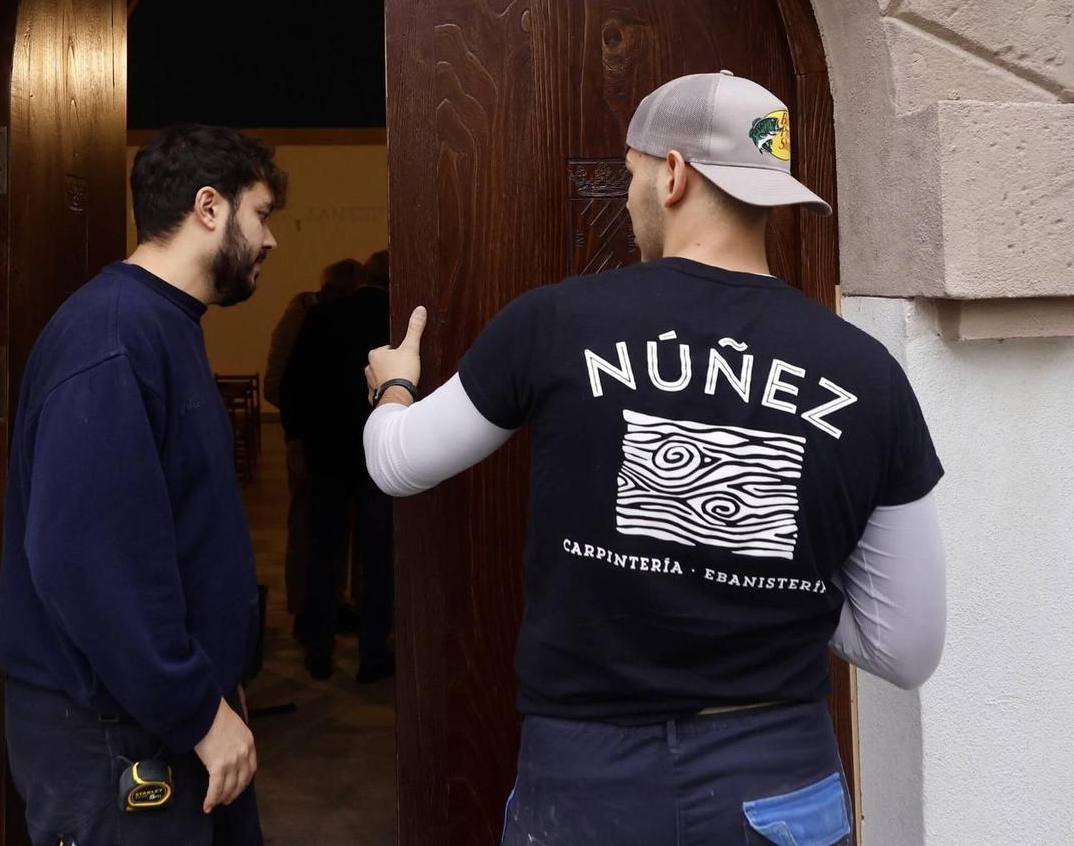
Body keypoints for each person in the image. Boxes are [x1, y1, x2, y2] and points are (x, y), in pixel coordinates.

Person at [362, 72, 946, 846]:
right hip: (776, 774)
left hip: (588, 780)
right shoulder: (868, 372)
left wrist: (395, 384)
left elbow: (397, 462)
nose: (631, 192)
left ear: (672, 174)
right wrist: (769, 571)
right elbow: (907, 647)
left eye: (630, 172)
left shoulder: (554, 323)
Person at [0, 123, 288, 845]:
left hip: (162, 718)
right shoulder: (112, 336)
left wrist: (218, 686)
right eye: (261, 214)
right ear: (209, 207)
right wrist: (197, 710)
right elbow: (85, 561)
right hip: (114, 741)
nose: (271, 239)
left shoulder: (161, 323)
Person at [279, 250, 395, 683]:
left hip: (327, 452)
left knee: (324, 552)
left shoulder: (322, 317)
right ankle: (373, 654)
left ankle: (319, 650)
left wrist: (296, 438)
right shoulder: (396, 321)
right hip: (379, 452)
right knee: (377, 557)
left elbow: (292, 384)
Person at [265, 258, 364, 616]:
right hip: (310, 440)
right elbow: (278, 384)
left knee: (335, 527)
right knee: (309, 527)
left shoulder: (326, 317)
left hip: (331, 439)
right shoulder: (304, 316)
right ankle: (307, 606)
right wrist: (304, 427)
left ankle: (332, 603)